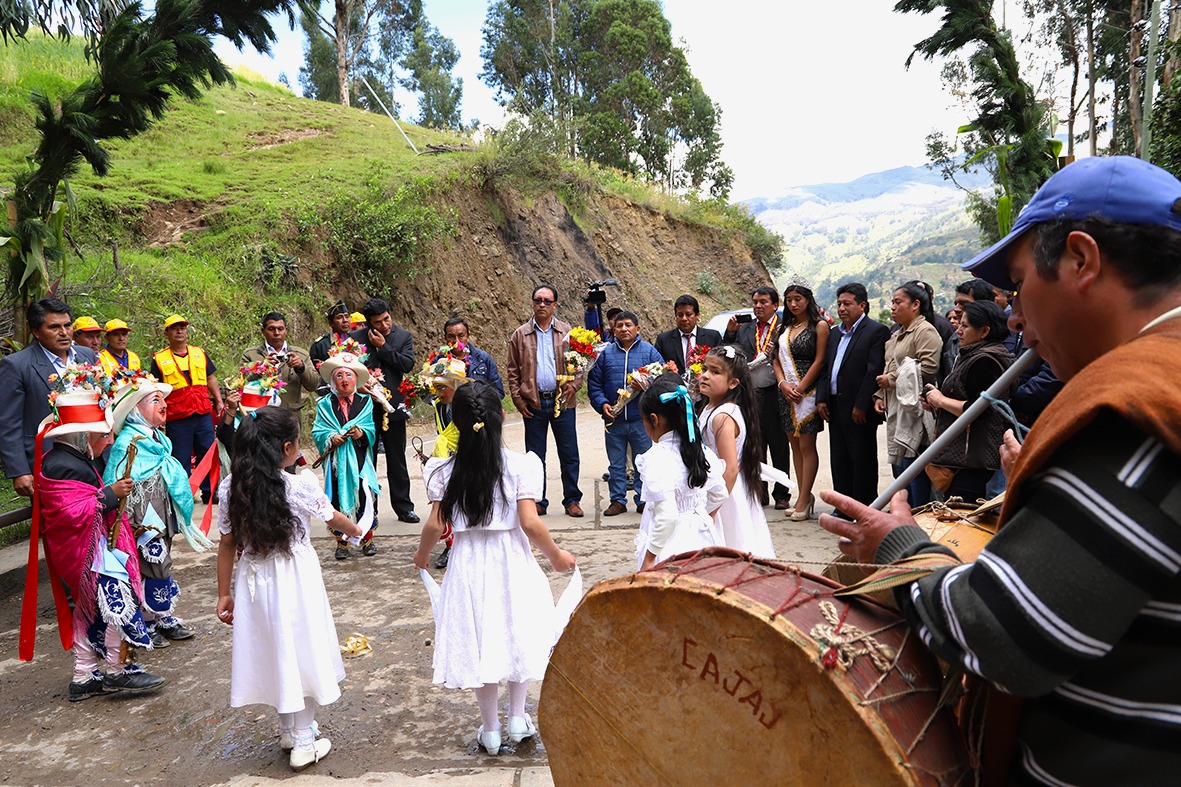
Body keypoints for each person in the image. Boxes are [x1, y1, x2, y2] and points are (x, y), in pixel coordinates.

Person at [820, 155, 1181, 784]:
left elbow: (1003, 634)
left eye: (1018, 288)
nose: (1015, 317)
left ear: (1080, 260)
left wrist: (899, 548)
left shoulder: (1136, 407)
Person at [413, 380, 576, 756]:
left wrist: (422, 556)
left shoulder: (442, 471)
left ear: (455, 422)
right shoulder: (520, 465)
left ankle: (490, 729)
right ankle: (517, 717)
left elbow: (436, 526)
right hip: (511, 561)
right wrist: (556, 556)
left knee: (481, 642)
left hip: (468, 562)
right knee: (515, 634)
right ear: (502, 417)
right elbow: (531, 523)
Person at [216, 406, 363, 772]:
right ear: (286, 447)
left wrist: (223, 593)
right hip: (295, 577)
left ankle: (288, 728)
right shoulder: (298, 485)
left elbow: (226, 544)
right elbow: (334, 519)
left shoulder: (230, 487)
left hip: (254, 579)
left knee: (275, 649)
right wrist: (358, 530)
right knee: (303, 649)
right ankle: (303, 741)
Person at [26, 373, 164, 699]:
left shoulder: (66, 459)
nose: (109, 442)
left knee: (89, 611)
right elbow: (71, 512)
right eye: (103, 435)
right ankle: (118, 670)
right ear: (82, 435)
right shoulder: (64, 465)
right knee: (113, 604)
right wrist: (109, 495)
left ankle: (84, 676)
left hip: (87, 549)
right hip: (85, 552)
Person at [106, 374, 214, 649]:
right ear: (135, 411)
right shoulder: (128, 443)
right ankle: (145, 619)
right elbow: (118, 480)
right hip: (141, 518)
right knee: (147, 564)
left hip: (160, 512)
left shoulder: (157, 440)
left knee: (162, 561)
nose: (164, 405)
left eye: (163, 399)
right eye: (155, 401)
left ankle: (161, 614)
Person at [920, 300, 1015, 501]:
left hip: (972, 459)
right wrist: (936, 401)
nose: (958, 331)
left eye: (965, 326)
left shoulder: (984, 361)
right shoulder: (974, 355)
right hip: (965, 456)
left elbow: (979, 410)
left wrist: (941, 400)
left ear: (984, 331)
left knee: (962, 514)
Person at [634, 372, 728, 569]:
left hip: (670, 545)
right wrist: (697, 513)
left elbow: (668, 517)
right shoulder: (700, 450)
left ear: (654, 419)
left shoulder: (656, 458)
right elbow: (720, 494)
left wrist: (650, 557)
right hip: (702, 537)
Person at [506, 283, 584, 517]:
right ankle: (539, 501)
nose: (542, 304)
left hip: (563, 402)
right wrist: (519, 401)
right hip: (534, 403)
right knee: (535, 457)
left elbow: (579, 364)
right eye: (538, 300)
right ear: (532, 303)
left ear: (554, 305)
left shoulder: (567, 331)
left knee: (569, 454)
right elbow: (512, 371)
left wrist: (575, 384)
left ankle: (572, 500)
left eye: (547, 301)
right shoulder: (520, 334)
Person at [815, 283, 890, 510]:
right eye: (839, 304)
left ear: (862, 305)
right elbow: (826, 369)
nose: (842, 308)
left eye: (847, 304)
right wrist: (821, 398)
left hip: (859, 408)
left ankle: (864, 506)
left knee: (862, 458)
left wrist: (861, 405)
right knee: (839, 458)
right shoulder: (835, 332)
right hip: (836, 405)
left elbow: (873, 369)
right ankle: (843, 505)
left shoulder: (876, 331)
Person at [697, 346, 776, 558]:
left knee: (729, 543)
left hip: (725, 494)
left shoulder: (723, 416)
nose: (705, 375)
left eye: (715, 372)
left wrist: (713, 509)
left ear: (733, 383)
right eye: (705, 369)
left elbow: (730, 469)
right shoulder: (709, 408)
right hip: (716, 486)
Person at [587, 310, 663, 515]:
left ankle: (643, 499)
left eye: (628, 325)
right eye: (619, 326)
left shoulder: (649, 352)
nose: (624, 329)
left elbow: (662, 380)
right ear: (613, 330)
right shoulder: (605, 355)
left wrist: (646, 386)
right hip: (614, 420)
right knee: (616, 463)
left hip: (642, 420)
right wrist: (602, 404)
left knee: (643, 462)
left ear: (637, 329)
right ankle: (617, 500)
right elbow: (594, 384)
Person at [349, 298, 418, 523]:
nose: (385, 326)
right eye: (378, 322)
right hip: (365, 409)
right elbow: (348, 367)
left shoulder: (403, 337)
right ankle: (369, 509)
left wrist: (383, 348)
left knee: (397, 458)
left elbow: (407, 364)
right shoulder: (355, 340)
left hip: (394, 407)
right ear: (369, 323)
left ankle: (404, 507)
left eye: (387, 319)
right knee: (366, 460)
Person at [723, 286, 792, 509]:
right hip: (749, 394)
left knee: (779, 444)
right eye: (755, 302)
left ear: (775, 304)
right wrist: (731, 333)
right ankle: (759, 492)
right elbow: (730, 353)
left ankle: (782, 494)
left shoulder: (783, 328)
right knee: (754, 444)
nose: (758, 306)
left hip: (775, 392)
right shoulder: (746, 329)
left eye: (763, 302)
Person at [874, 282, 941, 508]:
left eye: (898, 302)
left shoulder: (925, 331)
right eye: (892, 302)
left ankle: (917, 514)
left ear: (916, 305)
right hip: (895, 407)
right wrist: (880, 395)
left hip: (915, 409)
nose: (893, 307)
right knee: (900, 467)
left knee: (913, 467)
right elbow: (889, 366)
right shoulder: (897, 333)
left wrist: (891, 380)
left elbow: (928, 368)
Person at [312, 349, 380, 560]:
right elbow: (318, 431)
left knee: (365, 494)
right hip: (336, 462)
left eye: (348, 375)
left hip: (359, 458)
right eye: (339, 375)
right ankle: (342, 541)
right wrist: (331, 437)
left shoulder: (365, 402)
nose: (344, 380)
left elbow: (370, 428)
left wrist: (361, 432)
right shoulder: (324, 404)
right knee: (338, 499)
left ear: (356, 379)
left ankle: (367, 537)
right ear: (333, 380)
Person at [149, 314, 223, 504]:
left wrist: (219, 401)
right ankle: (183, 496)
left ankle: (210, 492)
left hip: (202, 412)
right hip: (177, 416)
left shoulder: (199, 352)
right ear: (166, 333)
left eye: (182, 327)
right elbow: (154, 387)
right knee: (180, 458)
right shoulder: (159, 358)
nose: (179, 331)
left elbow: (211, 378)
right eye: (175, 328)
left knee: (207, 454)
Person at [773, 278, 829, 521]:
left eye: (798, 299)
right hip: (786, 393)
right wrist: (783, 384)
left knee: (807, 446)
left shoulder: (820, 326)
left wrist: (801, 387)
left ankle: (805, 498)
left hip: (808, 393)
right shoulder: (784, 329)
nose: (794, 304)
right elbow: (775, 359)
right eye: (789, 300)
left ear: (808, 300)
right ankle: (802, 496)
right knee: (794, 445)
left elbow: (820, 360)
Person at [240, 312, 320, 411]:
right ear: (263, 331)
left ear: (286, 330)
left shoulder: (301, 355)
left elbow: (313, 385)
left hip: (290, 416)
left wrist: (301, 368)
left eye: (280, 329)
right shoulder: (251, 354)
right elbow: (241, 384)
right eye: (271, 329)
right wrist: (261, 368)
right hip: (259, 415)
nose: (277, 333)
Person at [653, 294, 724, 371]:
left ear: (697, 315)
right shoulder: (664, 340)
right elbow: (658, 368)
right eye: (680, 315)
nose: (684, 319)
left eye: (688, 314)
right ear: (675, 316)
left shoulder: (713, 337)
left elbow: (721, 365)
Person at [443, 316, 504, 396]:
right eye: (451, 336)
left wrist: (482, 402)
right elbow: (427, 391)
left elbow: (498, 390)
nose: (456, 341)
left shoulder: (483, 359)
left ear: (468, 336)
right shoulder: (439, 362)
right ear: (445, 338)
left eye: (461, 335)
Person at [309, 300, 352, 368]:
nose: (345, 320)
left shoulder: (356, 340)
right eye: (339, 317)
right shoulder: (320, 345)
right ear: (330, 323)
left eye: (347, 316)